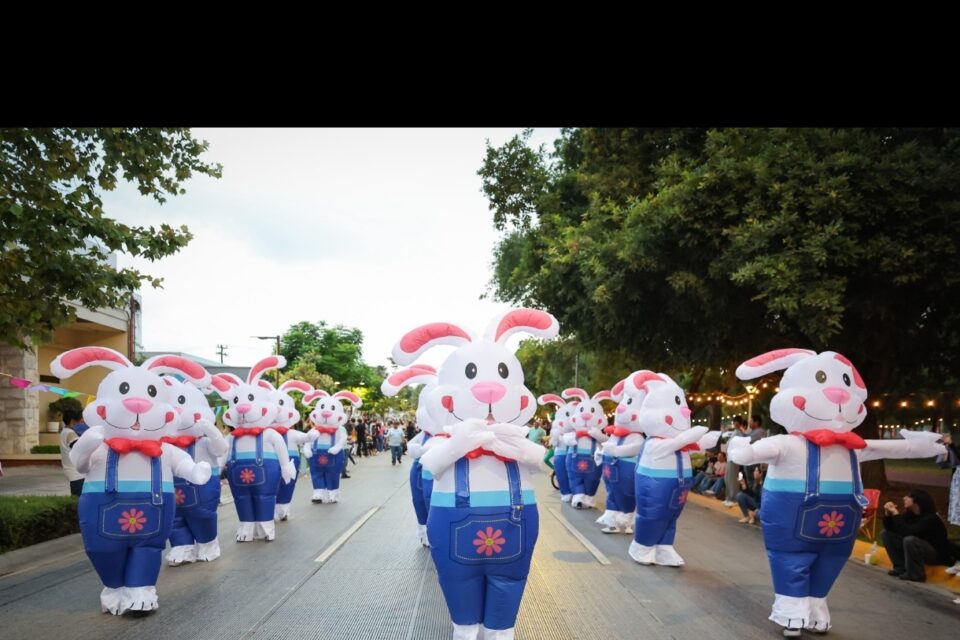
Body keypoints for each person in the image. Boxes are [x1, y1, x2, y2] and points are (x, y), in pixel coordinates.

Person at [881, 489, 955, 582]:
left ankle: (916, 574)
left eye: (908, 497)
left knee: (910, 540)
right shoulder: (911, 514)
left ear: (917, 502)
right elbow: (893, 529)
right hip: (918, 548)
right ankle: (900, 567)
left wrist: (896, 514)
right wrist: (888, 515)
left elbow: (908, 532)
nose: (904, 498)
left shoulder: (931, 519)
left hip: (936, 554)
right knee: (886, 534)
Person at [59, 409, 86, 496]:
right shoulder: (70, 433)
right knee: (78, 499)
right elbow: (79, 449)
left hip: (72, 472)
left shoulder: (64, 431)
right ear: (72, 421)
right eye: (79, 420)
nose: (81, 423)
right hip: (76, 473)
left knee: (76, 498)